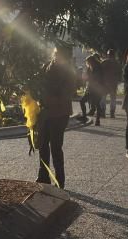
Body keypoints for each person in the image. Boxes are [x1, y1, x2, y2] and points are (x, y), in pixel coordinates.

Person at [34, 45, 75, 188]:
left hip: (60, 113)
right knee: (42, 146)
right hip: (45, 113)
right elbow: (37, 84)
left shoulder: (68, 72)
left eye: (60, 55)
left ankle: (59, 181)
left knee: (56, 147)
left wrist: (48, 98)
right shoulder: (46, 66)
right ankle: (43, 176)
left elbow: (67, 92)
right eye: (56, 53)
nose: (57, 57)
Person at [80, 54, 105, 126]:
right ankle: (84, 116)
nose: (87, 63)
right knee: (82, 101)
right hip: (91, 88)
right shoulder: (89, 68)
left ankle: (97, 120)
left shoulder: (98, 68)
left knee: (97, 104)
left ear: (91, 61)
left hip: (97, 89)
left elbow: (97, 79)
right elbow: (88, 78)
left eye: (88, 62)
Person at [100, 49, 122, 118]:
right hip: (110, 83)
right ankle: (110, 112)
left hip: (107, 83)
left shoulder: (104, 62)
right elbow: (120, 73)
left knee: (105, 98)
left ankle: (106, 112)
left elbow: (119, 73)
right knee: (110, 98)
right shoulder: (116, 63)